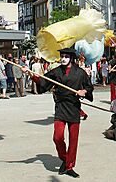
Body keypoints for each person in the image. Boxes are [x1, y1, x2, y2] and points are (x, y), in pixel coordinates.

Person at [23, 48, 93, 178]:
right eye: (62, 56)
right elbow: (43, 82)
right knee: (57, 137)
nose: (63, 58)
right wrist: (30, 74)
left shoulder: (80, 73)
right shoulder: (56, 71)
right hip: (61, 107)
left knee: (73, 140)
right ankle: (65, 159)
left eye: (66, 56)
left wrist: (84, 92)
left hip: (73, 107)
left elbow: (89, 87)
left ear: (71, 58)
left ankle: (69, 166)